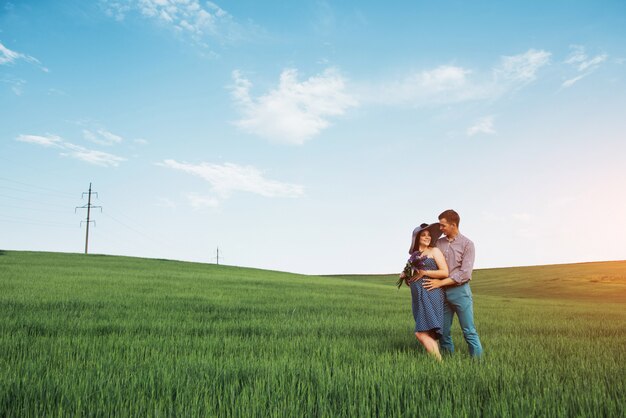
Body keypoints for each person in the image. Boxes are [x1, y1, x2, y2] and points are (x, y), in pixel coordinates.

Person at [422, 209, 483, 358]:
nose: (440, 229)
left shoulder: (468, 244)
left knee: (469, 331)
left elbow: (465, 273)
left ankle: (478, 365)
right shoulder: (438, 243)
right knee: (443, 331)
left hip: (460, 292)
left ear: (453, 225)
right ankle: (449, 361)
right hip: (441, 293)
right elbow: (426, 256)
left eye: (443, 225)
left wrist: (440, 282)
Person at [399, 223, 449, 361]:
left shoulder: (434, 251)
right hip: (418, 297)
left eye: (428, 235)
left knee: (420, 333)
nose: (427, 237)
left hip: (431, 293)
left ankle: (439, 362)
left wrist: (424, 272)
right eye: (423, 235)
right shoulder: (414, 256)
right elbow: (412, 277)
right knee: (428, 332)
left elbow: (445, 272)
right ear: (416, 237)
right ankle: (435, 363)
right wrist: (405, 275)